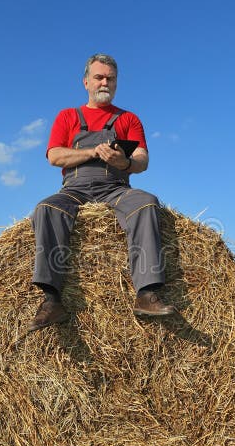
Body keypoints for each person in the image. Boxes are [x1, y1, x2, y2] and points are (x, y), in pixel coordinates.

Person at [28, 53, 175, 332]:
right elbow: (55, 156)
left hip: (116, 187)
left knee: (146, 203)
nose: (104, 82)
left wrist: (125, 162)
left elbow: (143, 160)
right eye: (99, 77)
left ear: (117, 83)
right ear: (86, 82)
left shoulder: (129, 119)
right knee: (47, 208)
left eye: (110, 78)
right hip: (75, 188)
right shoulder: (68, 116)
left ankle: (146, 294)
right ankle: (52, 300)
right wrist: (92, 151)